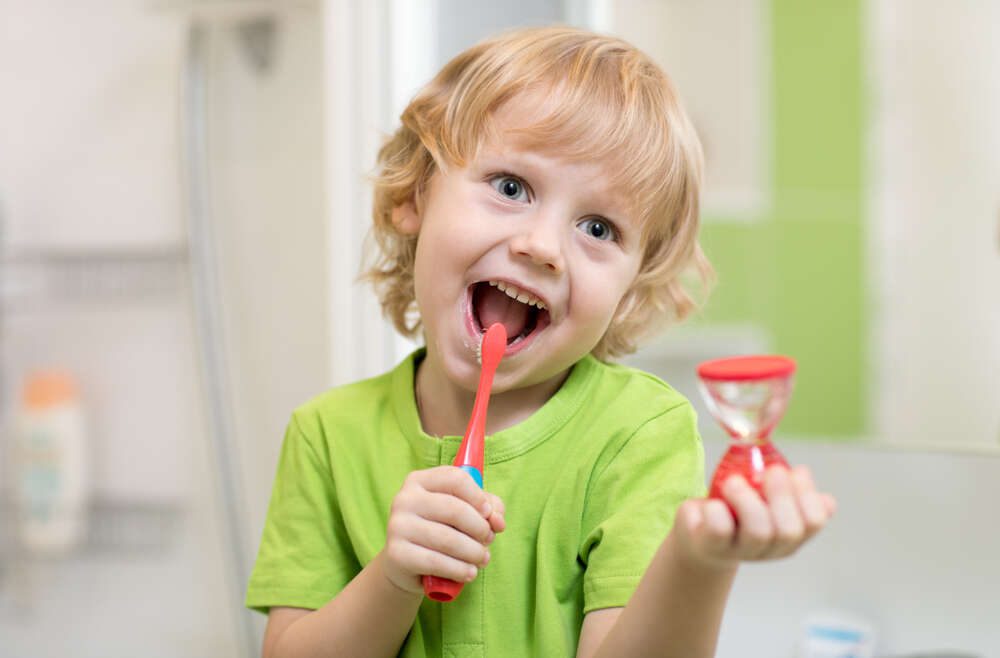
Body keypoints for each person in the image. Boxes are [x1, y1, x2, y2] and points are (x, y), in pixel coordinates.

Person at [245, 25, 836, 658]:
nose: (542, 247)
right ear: (414, 194)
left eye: (598, 228)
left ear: (630, 288)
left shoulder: (639, 435)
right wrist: (392, 578)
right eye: (510, 187)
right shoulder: (327, 436)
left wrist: (697, 561)